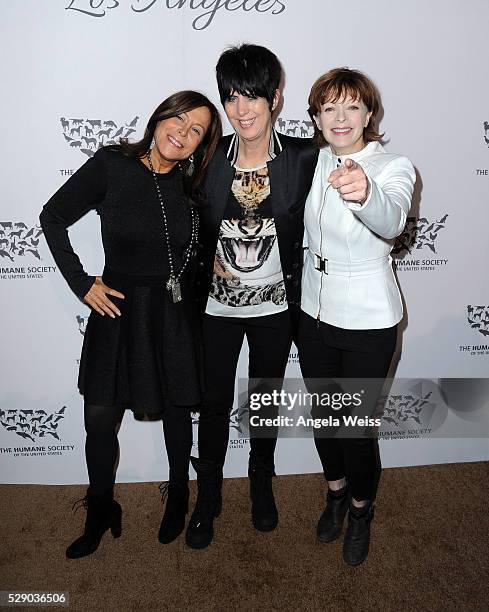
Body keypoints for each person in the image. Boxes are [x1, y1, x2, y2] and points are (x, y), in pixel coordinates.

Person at [40, 91, 222, 558]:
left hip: (172, 312)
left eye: (196, 130)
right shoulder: (112, 164)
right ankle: (100, 508)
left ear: (201, 145)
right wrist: (82, 284)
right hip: (117, 310)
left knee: (178, 411)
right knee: (99, 419)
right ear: (160, 117)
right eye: (178, 118)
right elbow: (52, 216)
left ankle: (179, 494)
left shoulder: (192, 185)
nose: (181, 132)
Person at [185, 44, 318, 549]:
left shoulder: (303, 158)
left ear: (276, 97)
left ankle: (261, 484)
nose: (241, 110)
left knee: (264, 402)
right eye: (232, 97)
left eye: (253, 97)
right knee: (214, 403)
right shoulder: (207, 158)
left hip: (276, 310)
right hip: (216, 309)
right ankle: (209, 497)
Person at [298, 68, 415, 566]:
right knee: (325, 418)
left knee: (356, 428)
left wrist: (365, 191)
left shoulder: (394, 166)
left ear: (369, 114)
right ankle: (336, 493)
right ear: (317, 117)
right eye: (329, 108)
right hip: (312, 312)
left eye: (351, 107)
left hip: (369, 317)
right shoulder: (307, 161)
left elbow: (391, 219)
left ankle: (362, 512)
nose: (340, 118)